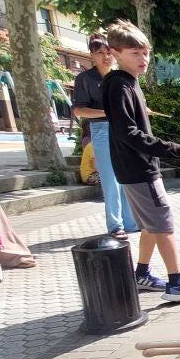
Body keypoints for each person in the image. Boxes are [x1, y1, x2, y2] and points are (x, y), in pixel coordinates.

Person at [102, 20, 180, 301]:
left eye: (145, 53)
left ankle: (141, 273)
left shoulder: (127, 83)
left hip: (133, 168)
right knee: (163, 223)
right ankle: (176, 283)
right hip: (139, 169)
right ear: (115, 53)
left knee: (150, 225)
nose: (143, 59)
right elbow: (129, 133)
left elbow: (128, 124)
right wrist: (179, 150)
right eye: (135, 53)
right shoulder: (119, 85)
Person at [71, 33, 138, 239]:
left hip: (125, 129)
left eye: (109, 53)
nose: (106, 57)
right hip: (101, 130)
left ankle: (131, 222)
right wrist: (109, 112)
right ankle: (115, 225)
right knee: (110, 179)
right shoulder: (85, 78)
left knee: (128, 175)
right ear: (92, 55)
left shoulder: (121, 76)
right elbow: (79, 110)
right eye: (100, 53)